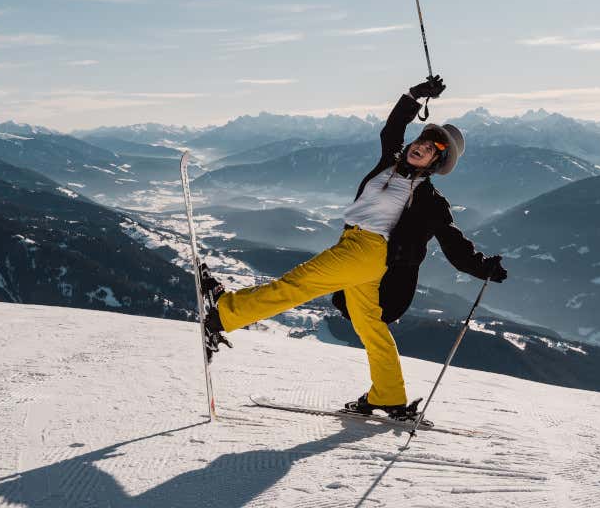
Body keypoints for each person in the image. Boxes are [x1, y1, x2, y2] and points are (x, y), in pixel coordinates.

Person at [202, 75, 507, 419]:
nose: (421, 145)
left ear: (437, 163)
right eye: (424, 138)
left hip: (367, 252)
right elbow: (392, 128)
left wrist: (483, 267)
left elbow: (453, 241)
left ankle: (222, 314)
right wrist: (416, 95)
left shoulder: (428, 198)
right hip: (354, 246)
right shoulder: (389, 164)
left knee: (297, 285)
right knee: (371, 326)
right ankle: (388, 395)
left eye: (433, 148)